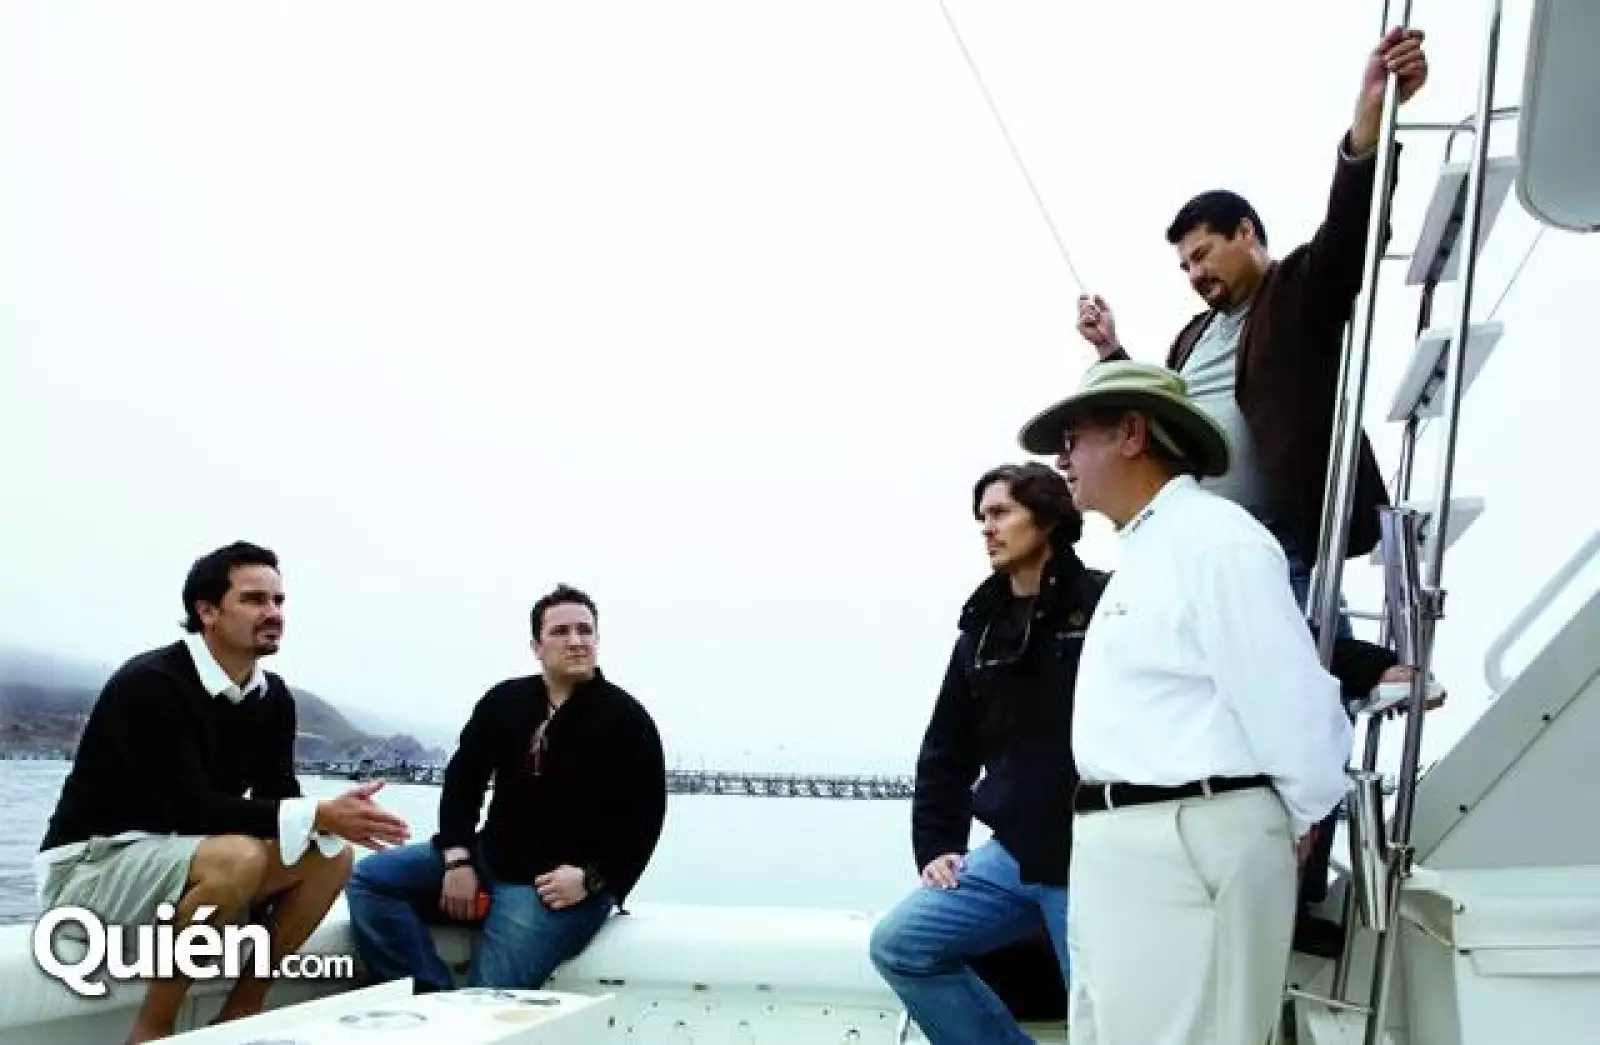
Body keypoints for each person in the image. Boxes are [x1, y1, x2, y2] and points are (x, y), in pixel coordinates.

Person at [1016, 361, 1354, 1045]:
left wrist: (1288, 814)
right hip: (1129, 844)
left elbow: (1289, 700)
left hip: (1191, 837)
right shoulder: (1150, 550)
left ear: (1133, 433)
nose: (1062, 460)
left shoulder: (1214, 539)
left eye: (1074, 437)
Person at [1071, 27, 1431, 621]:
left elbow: (1351, 229)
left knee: (1292, 693)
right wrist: (1110, 350)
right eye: (1185, 264)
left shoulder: (1298, 292)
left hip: (1275, 549)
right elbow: (1160, 416)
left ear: (1246, 232)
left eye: (1203, 253)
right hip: (1194, 552)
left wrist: (1366, 127)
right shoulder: (1190, 337)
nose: (1194, 273)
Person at [35, 541, 411, 1043]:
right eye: (255, 600)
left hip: (188, 864)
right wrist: (318, 812)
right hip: (91, 868)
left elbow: (279, 796)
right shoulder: (150, 683)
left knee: (332, 857)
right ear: (207, 611)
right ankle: (151, 1030)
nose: (273, 613)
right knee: (237, 857)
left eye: (279, 601)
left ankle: (242, 1010)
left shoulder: (272, 697)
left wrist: (327, 820)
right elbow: (187, 808)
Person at [869, 463, 1107, 1044]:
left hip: (1093, 858)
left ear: (1047, 519)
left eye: (1001, 513)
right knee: (901, 946)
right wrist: (938, 846)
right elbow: (946, 750)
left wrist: (1358, 663)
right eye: (981, 517)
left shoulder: (1108, 603)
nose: (987, 528)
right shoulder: (980, 632)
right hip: (1013, 856)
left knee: (1103, 1027)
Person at [346, 584, 667, 992]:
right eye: (561, 631)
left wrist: (592, 879)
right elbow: (463, 783)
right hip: (489, 856)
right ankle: (427, 995)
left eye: (585, 631)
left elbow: (644, 817)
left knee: (485, 1001)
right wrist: (457, 860)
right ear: (537, 646)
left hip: (556, 887)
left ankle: (453, 1019)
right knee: (371, 880)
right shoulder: (505, 702)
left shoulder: (626, 718)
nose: (576, 641)